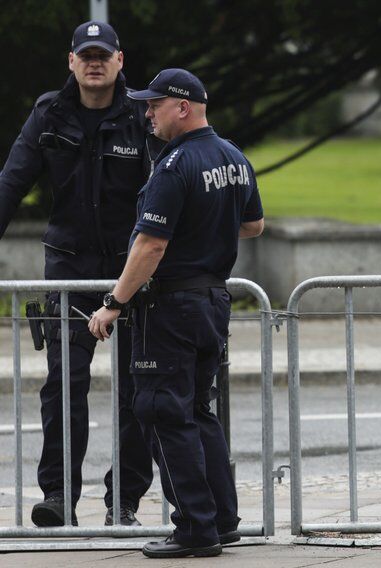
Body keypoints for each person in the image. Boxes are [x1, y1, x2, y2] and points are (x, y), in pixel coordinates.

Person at [88, 68, 264, 559]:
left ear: (182, 107)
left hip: (170, 307)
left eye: (154, 105)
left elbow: (150, 244)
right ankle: (222, 521)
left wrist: (113, 304)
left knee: (164, 412)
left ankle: (194, 527)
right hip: (211, 300)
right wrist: (206, 231)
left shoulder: (175, 165)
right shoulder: (233, 157)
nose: (146, 114)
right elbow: (253, 223)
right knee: (196, 412)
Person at [0, 21, 156, 527]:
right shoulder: (49, 113)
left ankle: (124, 501)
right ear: (71, 61)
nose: (94, 62)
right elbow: (11, 183)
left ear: (119, 60)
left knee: (138, 387)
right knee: (64, 383)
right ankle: (58, 496)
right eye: (85, 54)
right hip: (68, 268)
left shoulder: (139, 116)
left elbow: (166, 191)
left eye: (102, 55)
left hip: (129, 270)